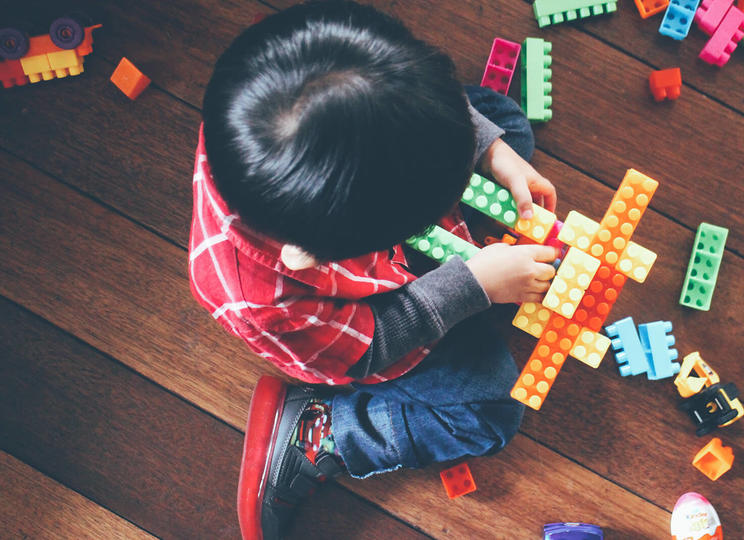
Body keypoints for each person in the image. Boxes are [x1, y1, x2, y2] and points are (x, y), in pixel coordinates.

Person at [189, 2, 558, 538]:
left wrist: (489, 150)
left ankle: (470, 181)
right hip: (378, 320)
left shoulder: (288, 68)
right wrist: (473, 284)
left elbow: (405, 101)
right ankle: (322, 431)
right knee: (488, 410)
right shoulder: (271, 298)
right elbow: (375, 345)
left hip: (375, 189)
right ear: (316, 253)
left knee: (504, 124)